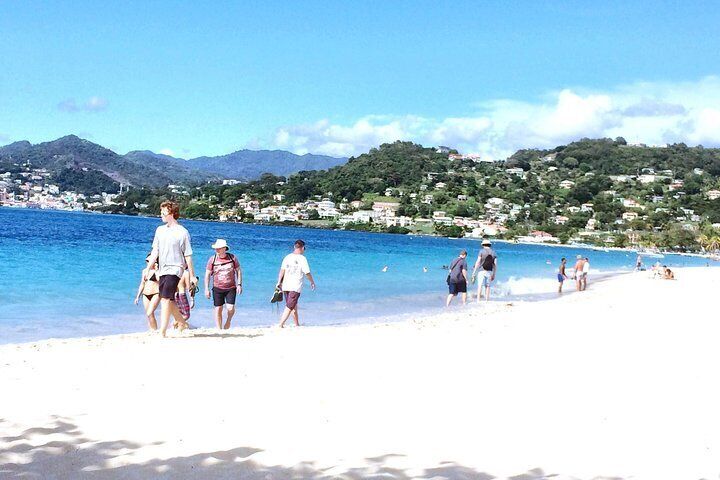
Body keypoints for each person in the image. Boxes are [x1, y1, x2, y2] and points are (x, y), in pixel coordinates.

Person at [145, 200, 197, 337]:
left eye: (163, 212)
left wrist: (192, 276)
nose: (161, 214)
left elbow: (188, 255)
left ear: (172, 213)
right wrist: (149, 268)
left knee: (165, 300)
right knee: (167, 298)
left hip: (176, 268)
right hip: (162, 269)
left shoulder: (183, 232)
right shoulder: (160, 230)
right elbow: (155, 251)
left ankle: (162, 331)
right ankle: (182, 322)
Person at [277, 239, 316, 328]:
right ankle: (280, 324)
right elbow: (307, 272)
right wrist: (312, 282)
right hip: (295, 286)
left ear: (294, 247)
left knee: (293, 306)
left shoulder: (287, 257)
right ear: (302, 248)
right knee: (290, 306)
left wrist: (278, 282)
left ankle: (297, 324)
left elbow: (281, 271)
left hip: (285, 286)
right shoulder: (302, 259)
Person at [205, 239, 242, 330]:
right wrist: (206, 288)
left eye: (218, 248)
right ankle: (219, 329)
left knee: (230, 308)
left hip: (231, 288)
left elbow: (238, 271)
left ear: (224, 248)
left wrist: (239, 284)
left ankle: (228, 321)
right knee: (218, 309)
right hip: (217, 288)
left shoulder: (232, 258)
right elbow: (207, 274)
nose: (216, 250)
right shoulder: (212, 259)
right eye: (216, 248)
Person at [134, 253, 160, 331]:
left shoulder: (158, 271)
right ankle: (151, 329)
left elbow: (160, 280)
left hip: (156, 293)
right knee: (149, 314)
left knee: (149, 312)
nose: (148, 262)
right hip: (145, 294)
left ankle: (154, 330)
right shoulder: (144, 271)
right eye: (147, 260)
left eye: (150, 261)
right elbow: (142, 284)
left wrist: (156, 270)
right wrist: (137, 296)